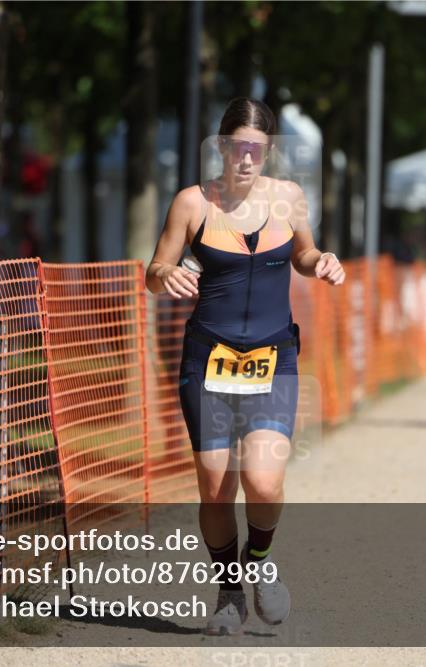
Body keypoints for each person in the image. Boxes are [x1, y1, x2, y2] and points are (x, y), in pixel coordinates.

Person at [145, 97, 345, 635]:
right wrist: (165, 275)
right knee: (215, 484)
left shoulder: (290, 199)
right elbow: (156, 267)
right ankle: (229, 590)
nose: (247, 159)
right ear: (222, 145)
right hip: (207, 358)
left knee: (262, 479)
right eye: (237, 148)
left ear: (269, 151)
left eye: (257, 150)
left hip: (272, 357)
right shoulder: (193, 202)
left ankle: (259, 565)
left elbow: (303, 256)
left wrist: (320, 262)